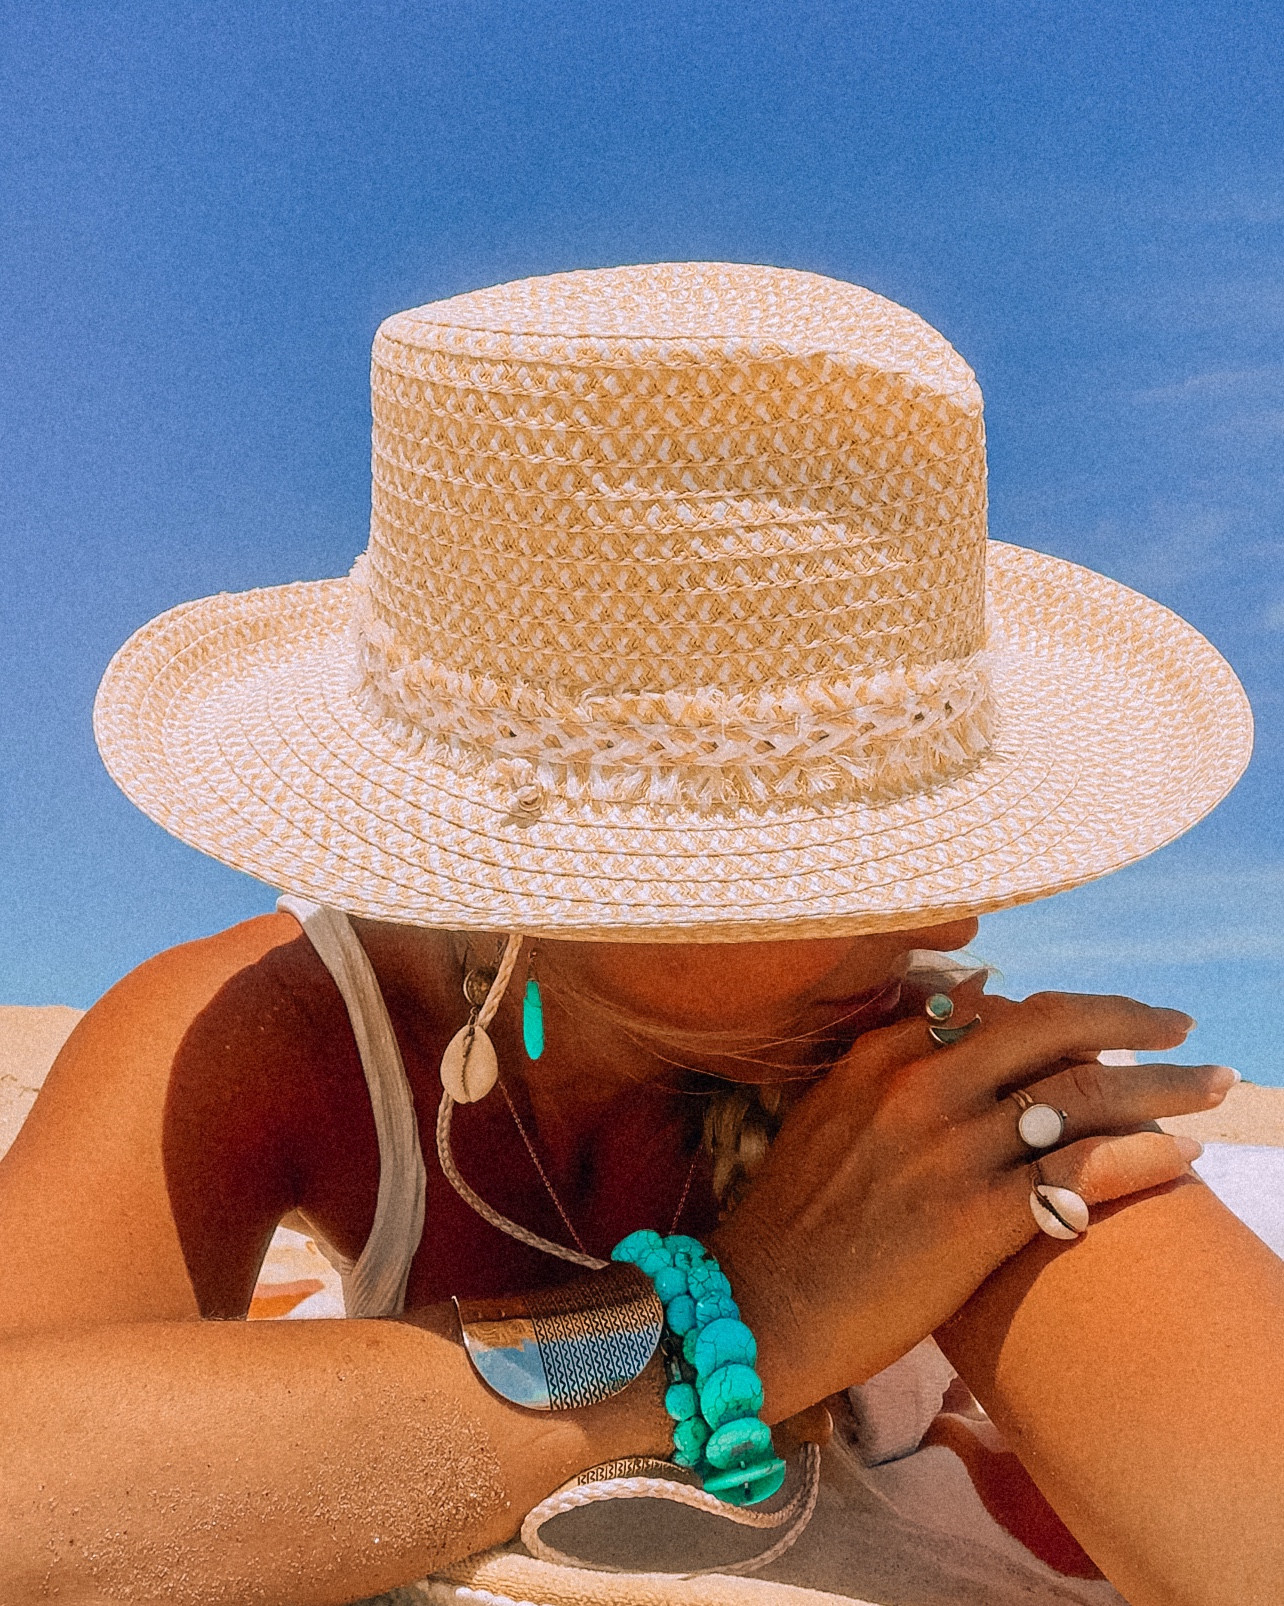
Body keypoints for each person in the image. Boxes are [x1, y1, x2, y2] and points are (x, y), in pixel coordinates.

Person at [1, 263, 1280, 1606]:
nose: (952, 916)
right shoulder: (289, 1037)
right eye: (823, 852)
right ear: (538, 873)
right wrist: (731, 1325)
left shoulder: (925, 1099)